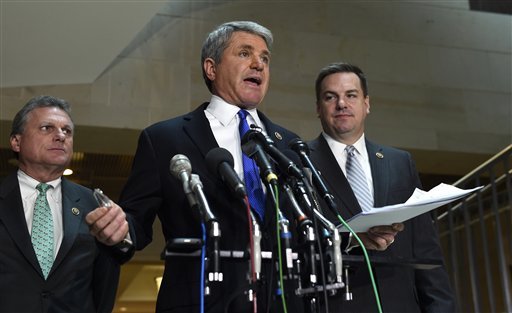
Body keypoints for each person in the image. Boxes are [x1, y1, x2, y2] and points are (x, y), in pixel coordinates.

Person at [104, 21, 305, 312]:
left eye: (264, 58)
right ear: (211, 68)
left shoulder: (287, 144)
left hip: (280, 301)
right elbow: (135, 223)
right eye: (245, 53)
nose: (258, 65)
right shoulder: (164, 139)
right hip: (200, 299)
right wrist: (117, 229)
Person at [308, 62, 456, 312]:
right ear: (318, 109)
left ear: (367, 104)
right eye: (330, 97)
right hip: (337, 304)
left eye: (351, 95)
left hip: (401, 304)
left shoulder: (399, 162)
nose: (341, 104)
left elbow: (425, 248)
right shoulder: (299, 161)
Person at [0, 95, 132, 313]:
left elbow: (107, 273)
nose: (60, 136)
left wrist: (122, 238)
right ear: (16, 141)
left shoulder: (95, 204)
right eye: (46, 128)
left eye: (67, 131)